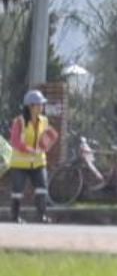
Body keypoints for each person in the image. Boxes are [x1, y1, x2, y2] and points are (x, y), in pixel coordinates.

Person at [9, 89, 59, 223]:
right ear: (30, 106)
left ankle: (41, 215)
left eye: (42, 104)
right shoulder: (19, 121)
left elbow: (45, 139)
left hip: (38, 162)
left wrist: (48, 141)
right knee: (17, 191)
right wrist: (29, 149)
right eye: (39, 104)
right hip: (19, 164)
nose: (42, 107)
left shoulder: (44, 121)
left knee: (42, 187)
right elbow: (15, 141)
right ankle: (15, 217)